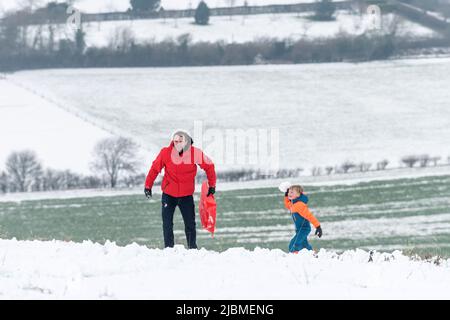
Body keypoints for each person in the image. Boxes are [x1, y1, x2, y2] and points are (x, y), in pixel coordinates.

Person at [144, 130, 216, 249]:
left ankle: (192, 248)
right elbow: (154, 169)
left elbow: (209, 166)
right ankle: (169, 249)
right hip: (169, 194)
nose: (177, 143)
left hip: (186, 195)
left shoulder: (194, 153)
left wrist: (212, 185)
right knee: (167, 224)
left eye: (180, 141)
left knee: (190, 224)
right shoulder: (165, 153)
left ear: (186, 141)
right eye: (175, 141)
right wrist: (148, 186)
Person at [283, 185, 322, 253]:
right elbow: (287, 204)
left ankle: (293, 255)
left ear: (298, 194)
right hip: (299, 229)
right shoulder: (293, 205)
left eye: (292, 192)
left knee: (294, 244)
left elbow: (310, 216)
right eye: (288, 192)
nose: (289, 193)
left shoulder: (300, 205)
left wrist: (318, 226)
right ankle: (311, 253)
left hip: (304, 229)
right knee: (304, 245)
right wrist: (286, 196)